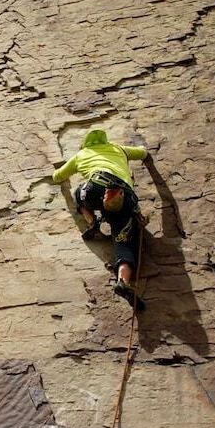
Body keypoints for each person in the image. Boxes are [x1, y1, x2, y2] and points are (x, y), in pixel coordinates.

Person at [52, 129, 149, 310]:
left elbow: (58, 176)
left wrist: (53, 171)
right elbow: (143, 152)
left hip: (95, 186)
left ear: (86, 143)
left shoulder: (82, 154)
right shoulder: (118, 148)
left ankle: (92, 221)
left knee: (78, 194)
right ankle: (123, 281)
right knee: (123, 242)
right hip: (125, 196)